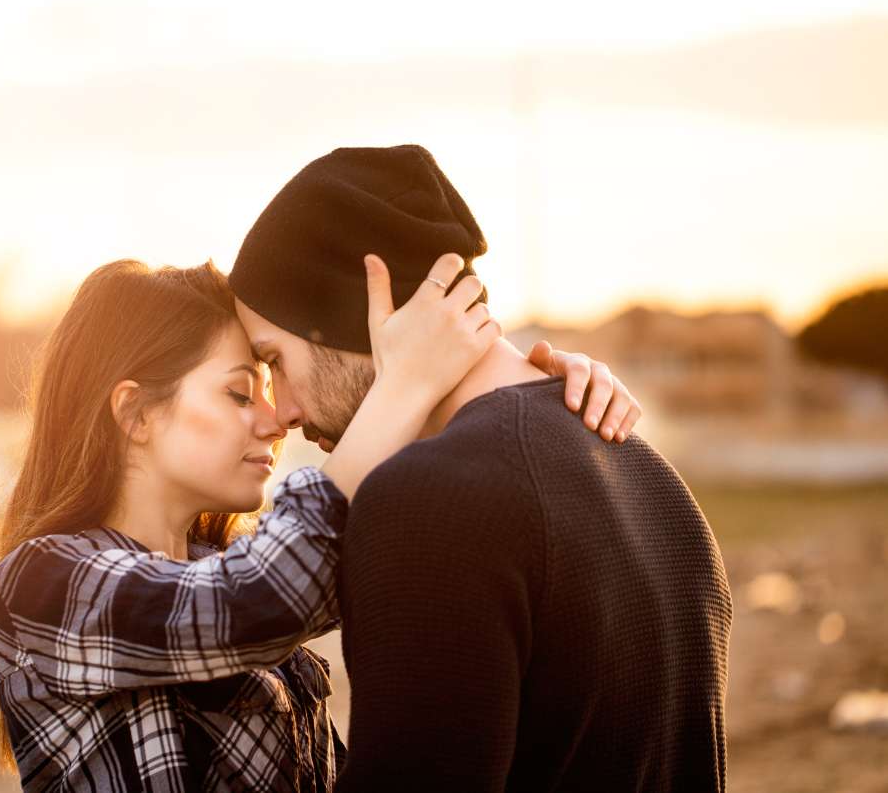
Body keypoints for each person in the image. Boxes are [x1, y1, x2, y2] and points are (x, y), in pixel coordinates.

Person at [0, 251, 638, 791]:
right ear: (136, 414)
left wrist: (534, 399)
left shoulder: (241, 562)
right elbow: (259, 599)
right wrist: (401, 384)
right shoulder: (40, 586)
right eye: (239, 392)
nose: (274, 420)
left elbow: (431, 547)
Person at [229, 144, 732, 791]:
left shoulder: (426, 502)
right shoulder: (652, 476)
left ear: (355, 315)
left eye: (274, 360)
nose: (284, 410)